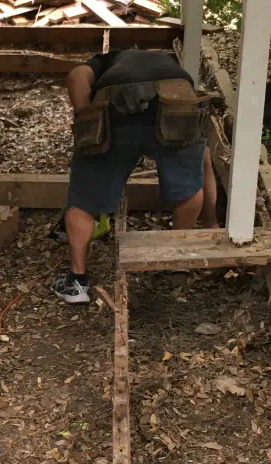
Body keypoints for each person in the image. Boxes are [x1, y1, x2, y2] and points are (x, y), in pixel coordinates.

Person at [51, 49, 219, 303]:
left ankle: (77, 282)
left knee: (84, 196)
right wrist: (212, 223)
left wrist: (86, 120)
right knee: (187, 184)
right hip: (178, 104)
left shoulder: (105, 61)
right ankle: (178, 260)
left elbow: (76, 76)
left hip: (117, 106)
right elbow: (203, 162)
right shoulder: (173, 69)